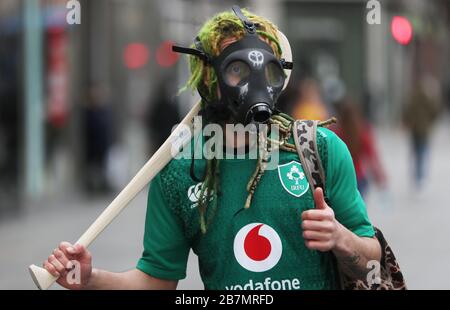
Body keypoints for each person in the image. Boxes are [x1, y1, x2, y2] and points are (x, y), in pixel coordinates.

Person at [43, 7, 380, 290]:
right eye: (237, 70)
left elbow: (372, 262)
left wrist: (340, 238)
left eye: (269, 70)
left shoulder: (319, 149)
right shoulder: (180, 170)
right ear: (207, 78)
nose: (256, 84)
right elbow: (156, 281)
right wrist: (89, 278)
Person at [332, 98, 386, 198]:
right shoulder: (363, 132)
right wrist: (379, 175)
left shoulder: (335, 134)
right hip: (359, 178)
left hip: (341, 179)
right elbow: (372, 156)